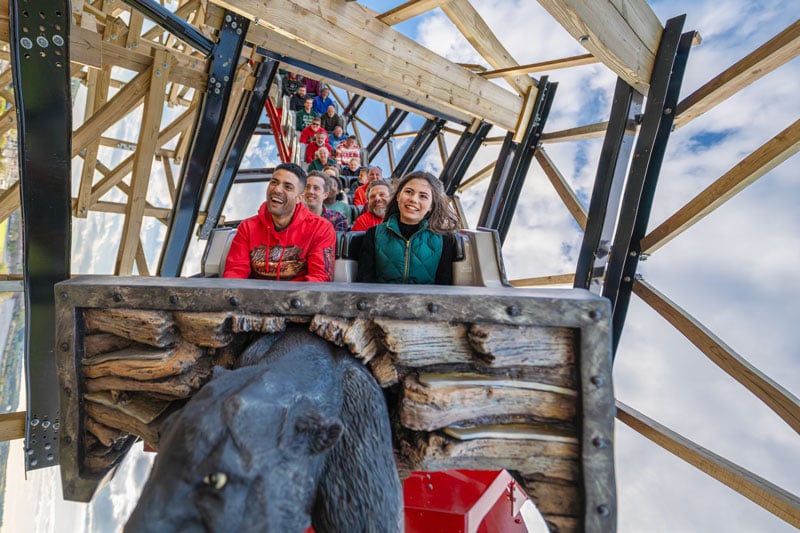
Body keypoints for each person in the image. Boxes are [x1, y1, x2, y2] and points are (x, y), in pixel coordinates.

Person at [223, 163, 335, 281]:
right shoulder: (247, 227)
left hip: (300, 293)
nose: (277, 189)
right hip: (252, 293)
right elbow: (235, 273)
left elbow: (319, 279)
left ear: (299, 198)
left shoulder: (321, 229)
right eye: (274, 182)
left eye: (288, 187)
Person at [356, 171, 459, 285]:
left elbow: (444, 287)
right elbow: (365, 283)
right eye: (409, 192)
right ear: (398, 196)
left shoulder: (444, 240)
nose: (413, 199)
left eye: (423, 196)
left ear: (431, 205)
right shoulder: (374, 234)